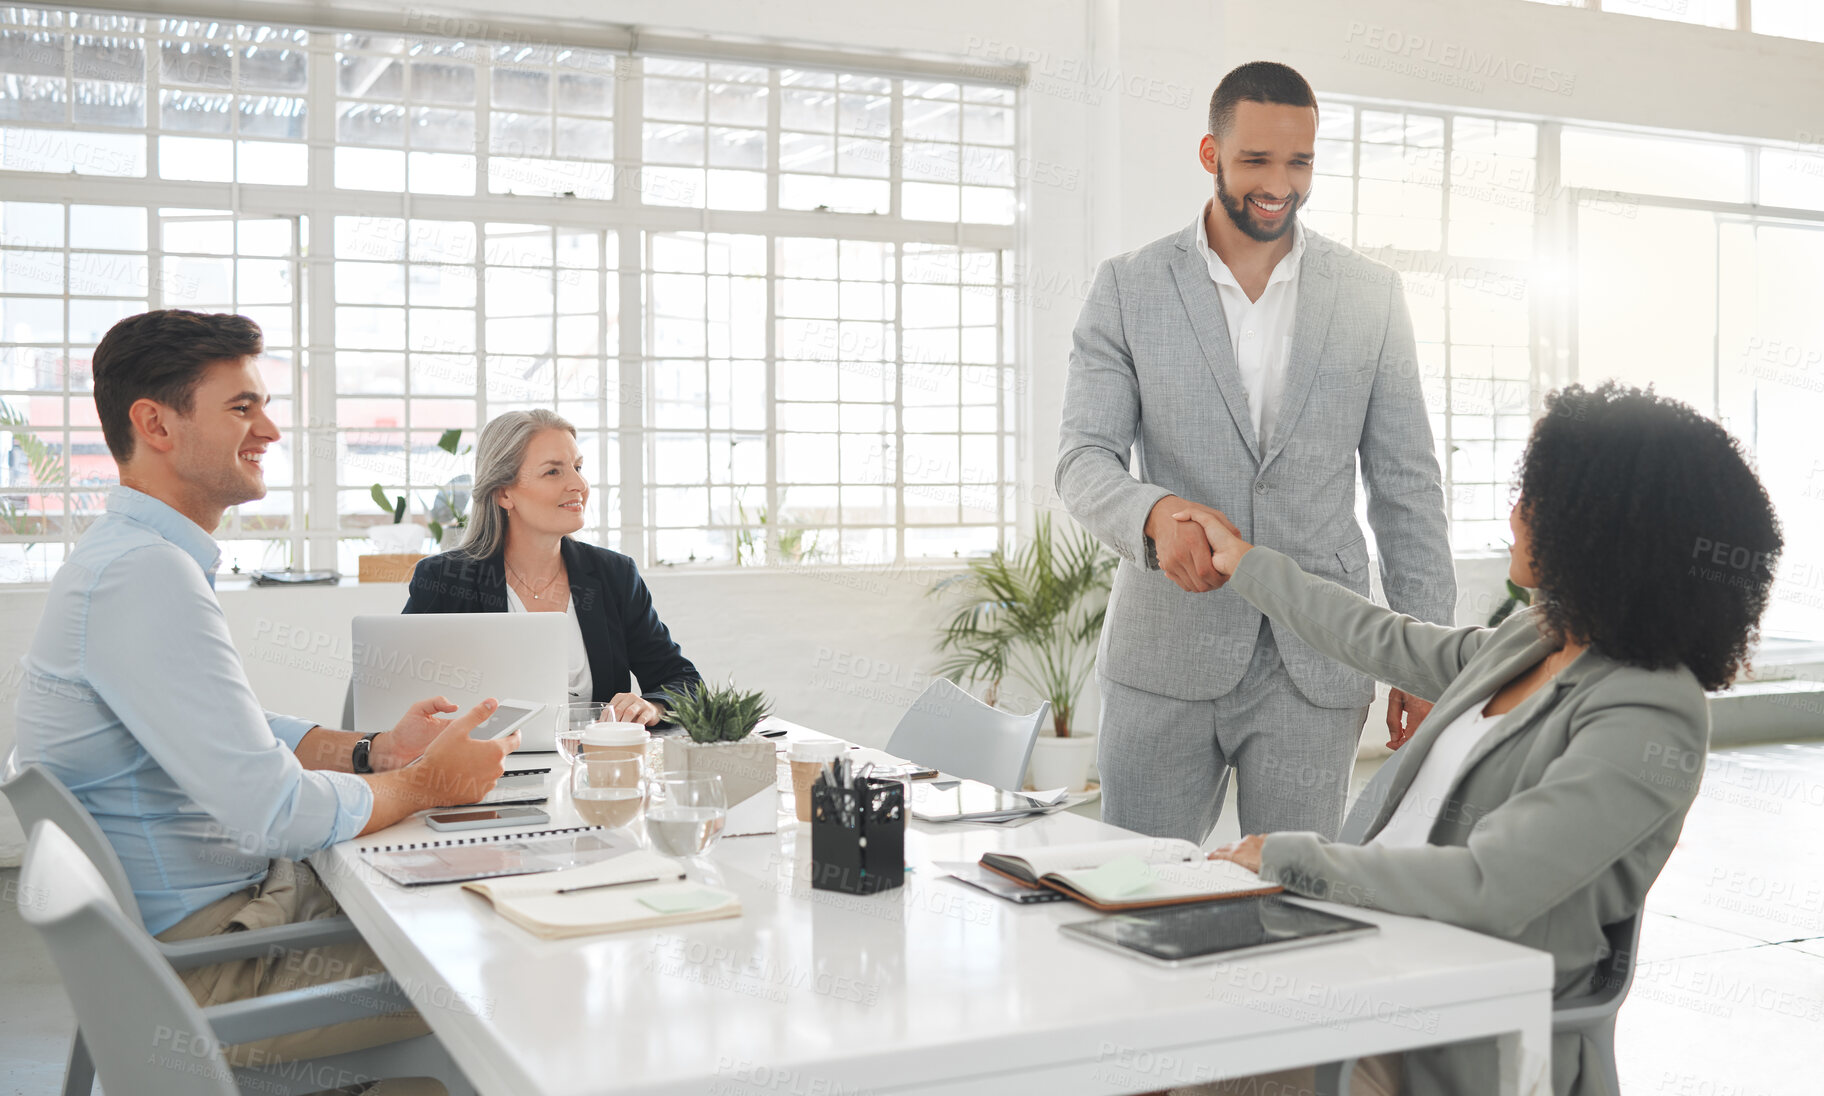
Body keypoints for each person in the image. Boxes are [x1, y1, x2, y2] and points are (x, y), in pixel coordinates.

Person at [1175, 383, 1781, 1096]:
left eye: (1538, 496)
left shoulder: (1650, 710)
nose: (1516, 512)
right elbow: (1377, 635)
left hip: (1441, 1032)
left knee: (1160, 1061)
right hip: (1350, 964)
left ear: (1606, 528)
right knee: (1128, 1026)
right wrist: (1246, 564)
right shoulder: (1536, 638)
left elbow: (1493, 886)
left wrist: (1287, 858)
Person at [12, 309, 516, 1081]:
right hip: (221, 967)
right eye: (242, 408)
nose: (270, 431)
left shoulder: (132, 559)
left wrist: (370, 752)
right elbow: (276, 812)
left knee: (452, 912)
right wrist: (421, 785)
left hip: (227, 920)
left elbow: (230, 730)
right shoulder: (144, 576)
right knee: (497, 977)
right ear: (156, 424)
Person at [1056, 60, 1454, 846]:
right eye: (1257, 162)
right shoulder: (1128, 288)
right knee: (1138, 896)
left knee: (1296, 903)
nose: (1281, 184)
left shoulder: (1371, 294)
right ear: (1211, 155)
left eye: (1299, 162)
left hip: (1318, 656)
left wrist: (1426, 651)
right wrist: (1155, 512)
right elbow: (1083, 457)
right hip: (1166, 655)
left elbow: (1406, 485)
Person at [404, 409, 700, 724]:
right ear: (504, 493)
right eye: (553, 472)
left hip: (593, 765)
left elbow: (683, 681)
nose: (579, 484)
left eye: (578, 467)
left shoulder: (614, 575)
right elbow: (405, 695)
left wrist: (652, 706)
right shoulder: (445, 579)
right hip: (487, 769)